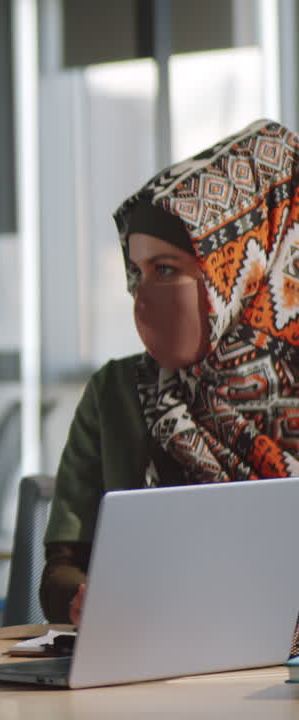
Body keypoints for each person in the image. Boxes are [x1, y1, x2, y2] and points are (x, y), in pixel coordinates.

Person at [41, 119, 299, 626]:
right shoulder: (116, 392)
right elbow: (60, 572)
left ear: (244, 271)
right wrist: (82, 598)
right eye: (136, 272)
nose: (141, 296)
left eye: (165, 270)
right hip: (150, 656)